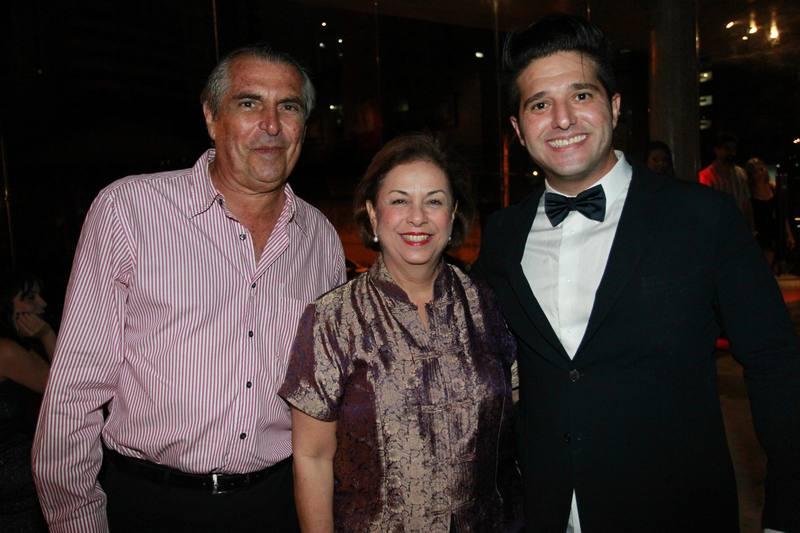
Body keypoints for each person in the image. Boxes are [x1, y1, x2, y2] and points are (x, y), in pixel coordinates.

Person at [474, 13, 800, 532]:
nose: (562, 119)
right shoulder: (502, 235)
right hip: (545, 511)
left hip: (675, 511)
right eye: (540, 104)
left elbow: (775, 362)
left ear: (615, 106)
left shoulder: (702, 217)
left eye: (581, 95)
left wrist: (786, 513)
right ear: (518, 129)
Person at [32, 44, 346, 533]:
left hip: (281, 503)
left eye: (288, 107)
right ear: (211, 117)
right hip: (151, 506)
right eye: (249, 103)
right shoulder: (130, 211)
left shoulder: (321, 239)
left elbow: (327, 398)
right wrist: (76, 521)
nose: (271, 124)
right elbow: (75, 391)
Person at [280, 134, 520, 532]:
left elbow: (517, 425)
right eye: (399, 201)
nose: (417, 217)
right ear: (373, 215)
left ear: (453, 215)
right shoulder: (333, 318)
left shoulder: (488, 305)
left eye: (434, 201)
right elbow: (313, 457)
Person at [0, 271, 55, 532]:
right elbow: (64, 389)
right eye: (30, 297)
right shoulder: (6, 351)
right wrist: (47, 334)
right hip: (13, 482)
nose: (42, 304)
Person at [746, 157, 795, 270]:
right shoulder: (749, 192)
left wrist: (789, 234)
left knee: (772, 267)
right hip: (760, 233)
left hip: (775, 231)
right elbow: (748, 216)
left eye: (761, 169)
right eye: (755, 172)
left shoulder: (772, 187)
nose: (760, 173)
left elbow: (781, 213)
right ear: (751, 175)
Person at [699, 132, 753, 224]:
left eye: (733, 149)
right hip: (719, 225)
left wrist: (751, 227)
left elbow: (746, 203)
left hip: (738, 225)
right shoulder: (706, 176)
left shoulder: (741, 174)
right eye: (727, 149)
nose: (732, 153)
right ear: (717, 150)